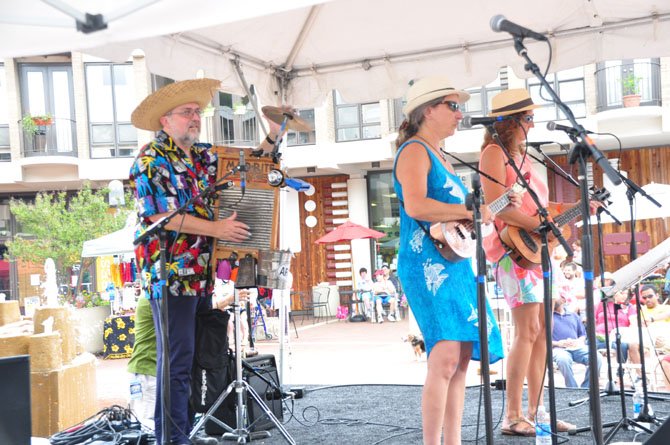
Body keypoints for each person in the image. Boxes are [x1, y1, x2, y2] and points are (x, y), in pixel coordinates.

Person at [128, 78, 284, 444]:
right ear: (165, 121)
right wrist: (218, 229)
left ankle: (179, 431)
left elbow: (249, 165)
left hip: (200, 273)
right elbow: (159, 215)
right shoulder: (151, 159)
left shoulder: (201, 155)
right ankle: (174, 438)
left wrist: (274, 134)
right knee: (176, 362)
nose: (195, 117)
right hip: (169, 275)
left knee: (191, 358)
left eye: (198, 112)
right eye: (187, 112)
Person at [393, 76, 508, 445]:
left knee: (460, 361)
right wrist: (467, 209)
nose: (461, 115)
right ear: (429, 110)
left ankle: (454, 442)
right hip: (425, 262)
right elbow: (416, 205)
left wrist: (486, 212)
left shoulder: (441, 155)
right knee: (444, 358)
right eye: (453, 106)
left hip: (454, 262)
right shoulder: (414, 150)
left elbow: (453, 216)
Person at [478, 89, 597, 436]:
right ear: (511, 122)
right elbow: (495, 205)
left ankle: (537, 410)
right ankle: (512, 415)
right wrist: (539, 226)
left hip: (536, 252)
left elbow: (540, 212)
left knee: (543, 331)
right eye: (528, 118)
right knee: (527, 331)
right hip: (511, 252)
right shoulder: (492, 153)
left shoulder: (524, 158)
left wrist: (574, 212)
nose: (532, 124)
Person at [552, 295, 602, 388]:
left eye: (556, 296)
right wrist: (558, 343)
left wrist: (578, 341)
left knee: (597, 357)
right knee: (563, 360)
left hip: (577, 347)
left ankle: (587, 387)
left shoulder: (573, 315)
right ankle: (572, 388)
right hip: (558, 348)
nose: (554, 298)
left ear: (563, 300)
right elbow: (543, 339)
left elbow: (582, 334)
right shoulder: (548, 317)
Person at [594, 287, 636, 364]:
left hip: (618, 337)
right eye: (620, 293)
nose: (622, 295)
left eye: (625, 293)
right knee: (592, 343)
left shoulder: (629, 307)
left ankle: (620, 371)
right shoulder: (603, 304)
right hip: (600, 337)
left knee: (622, 345)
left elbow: (633, 323)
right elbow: (594, 320)